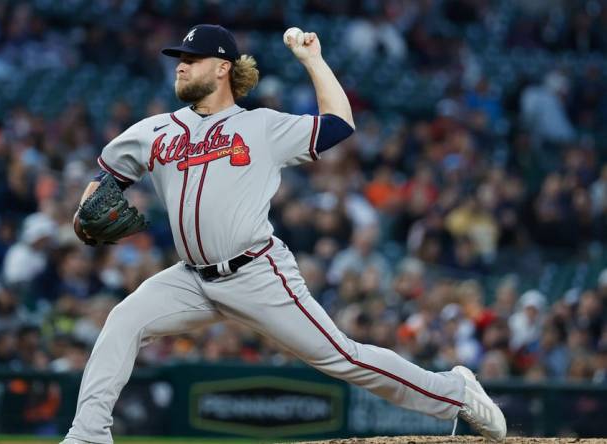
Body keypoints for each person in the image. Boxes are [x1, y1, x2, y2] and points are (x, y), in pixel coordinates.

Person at [61, 24, 506, 444]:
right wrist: (85, 211)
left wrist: (313, 60)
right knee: (124, 321)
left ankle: (455, 391)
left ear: (222, 68)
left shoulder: (262, 127)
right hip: (191, 279)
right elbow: (108, 176)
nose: (180, 65)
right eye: (179, 58)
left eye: (191, 58)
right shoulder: (156, 131)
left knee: (342, 356)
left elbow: (338, 123)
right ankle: (88, 435)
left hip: (255, 272)